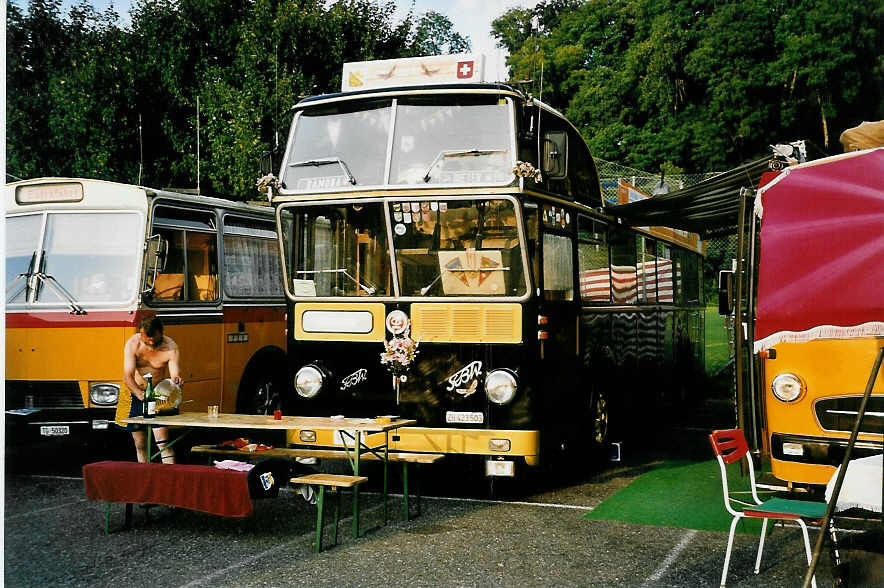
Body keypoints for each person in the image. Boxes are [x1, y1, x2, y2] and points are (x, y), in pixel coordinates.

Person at [122, 316, 182, 463]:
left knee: (163, 442)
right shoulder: (133, 343)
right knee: (140, 442)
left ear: (160, 332)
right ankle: (144, 474)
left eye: (153, 339)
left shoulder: (171, 347)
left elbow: (175, 374)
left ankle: (170, 477)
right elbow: (127, 375)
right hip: (135, 394)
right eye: (146, 339)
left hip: (157, 397)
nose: (149, 342)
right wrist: (139, 393)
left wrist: (176, 380)